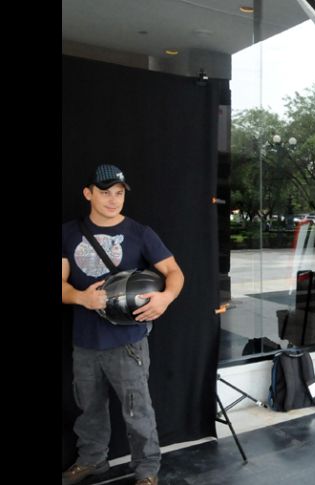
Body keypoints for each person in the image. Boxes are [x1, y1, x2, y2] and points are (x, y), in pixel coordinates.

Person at [62, 164, 185, 485]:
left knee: (137, 410)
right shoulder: (68, 233)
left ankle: (147, 470)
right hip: (85, 341)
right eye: (105, 193)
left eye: (118, 193)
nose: (113, 200)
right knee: (88, 408)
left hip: (127, 342)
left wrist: (165, 298)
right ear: (88, 194)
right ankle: (92, 460)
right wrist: (79, 297)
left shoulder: (140, 233)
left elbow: (175, 272)